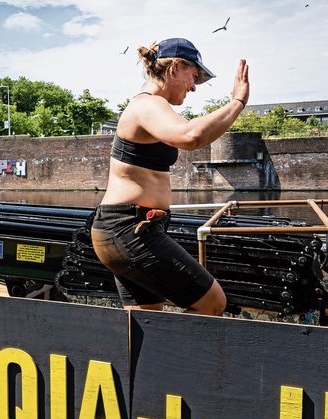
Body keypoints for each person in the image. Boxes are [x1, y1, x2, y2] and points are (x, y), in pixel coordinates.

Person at [91, 38, 250, 315]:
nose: (193, 87)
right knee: (213, 302)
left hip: (128, 228)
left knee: (146, 317)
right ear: (175, 67)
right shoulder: (147, 105)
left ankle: (150, 359)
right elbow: (191, 136)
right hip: (129, 229)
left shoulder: (153, 107)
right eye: (193, 77)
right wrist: (237, 102)